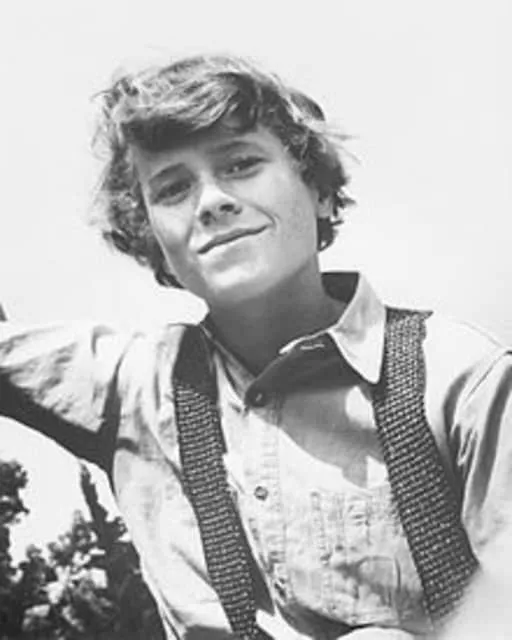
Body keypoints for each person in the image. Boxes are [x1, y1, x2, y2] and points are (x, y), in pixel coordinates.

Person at [1, 54, 511, 639]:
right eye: (172, 189)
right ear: (152, 240)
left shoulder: (460, 378)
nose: (211, 201)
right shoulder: (133, 386)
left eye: (241, 164)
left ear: (318, 191)